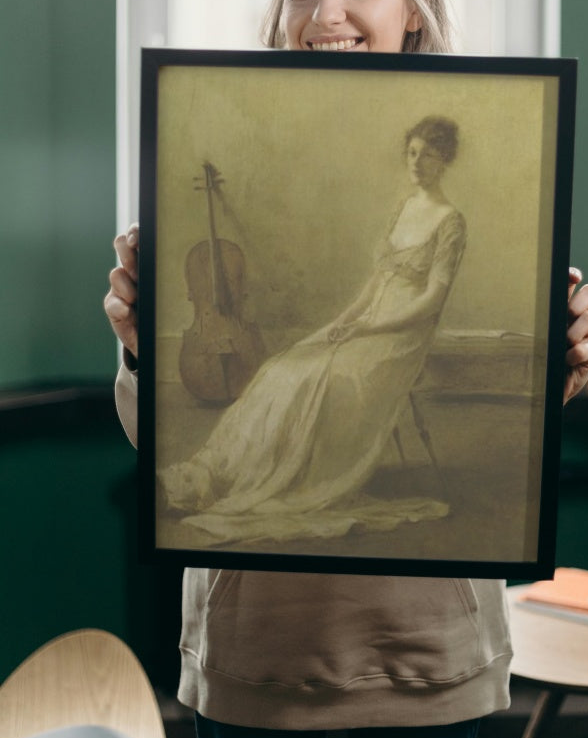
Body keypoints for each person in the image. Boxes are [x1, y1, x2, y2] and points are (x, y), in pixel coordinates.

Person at [105, 0, 588, 738]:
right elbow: (154, 428)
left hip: (420, 636)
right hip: (255, 635)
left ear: (412, 5)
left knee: (322, 377)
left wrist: (561, 361)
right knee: (287, 372)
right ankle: (241, 476)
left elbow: (414, 311)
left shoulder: (474, 181)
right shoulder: (202, 127)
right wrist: (138, 348)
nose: (324, 11)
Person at [159, 114, 466, 546]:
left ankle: (288, 476)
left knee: (323, 378)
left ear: (444, 161)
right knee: (283, 368)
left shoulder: (450, 221)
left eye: (429, 156)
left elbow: (431, 301)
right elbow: (376, 283)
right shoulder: (405, 207)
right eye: (412, 153)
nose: (417, 163)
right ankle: (219, 474)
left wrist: (373, 326)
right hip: (367, 322)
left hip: (401, 335)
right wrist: (343, 322)